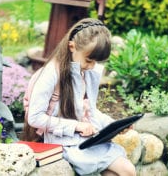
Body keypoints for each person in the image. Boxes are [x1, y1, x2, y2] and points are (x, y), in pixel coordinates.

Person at [23, 18, 136, 176]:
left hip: (85, 141)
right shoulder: (51, 73)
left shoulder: (86, 72)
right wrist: (76, 126)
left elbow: (91, 111)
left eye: (96, 62)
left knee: (127, 170)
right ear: (72, 46)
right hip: (61, 142)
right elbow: (35, 118)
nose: (92, 66)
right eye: (89, 60)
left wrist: (115, 125)